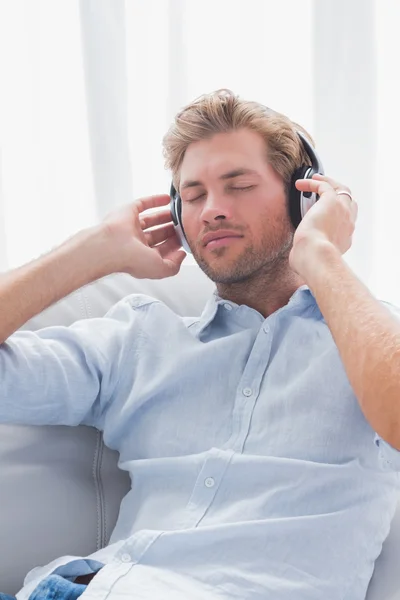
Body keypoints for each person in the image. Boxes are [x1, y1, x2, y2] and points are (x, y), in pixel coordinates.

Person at [1, 89, 400, 600]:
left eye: (238, 186)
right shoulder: (138, 340)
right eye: (192, 196)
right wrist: (91, 252)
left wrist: (319, 252)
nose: (212, 210)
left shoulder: (372, 341)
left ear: (304, 200)